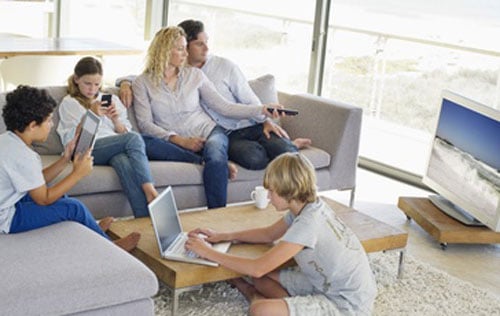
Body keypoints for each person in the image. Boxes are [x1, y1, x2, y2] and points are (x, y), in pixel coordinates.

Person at [185, 153, 377, 316]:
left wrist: (208, 252)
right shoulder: (308, 207)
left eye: (272, 191)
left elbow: (257, 268)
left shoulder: (309, 224)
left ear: (289, 191)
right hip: (324, 282)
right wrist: (223, 236)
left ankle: (249, 292)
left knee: (259, 309)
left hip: (346, 305)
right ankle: (293, 305)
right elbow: (268, 234)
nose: (268, 196)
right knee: (263, 279)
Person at [119, 19, 310, 170]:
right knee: (254, 159)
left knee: (285, 151)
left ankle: (290, 146)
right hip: (228, 133)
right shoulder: (178, 71)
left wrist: (266, 117)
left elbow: (237, 104)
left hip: (250, 125)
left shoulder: (222, 67)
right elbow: (149, 77)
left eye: (206, 43)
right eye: (198, 44)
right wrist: (125, 83)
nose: (206, 49)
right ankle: (283, 149)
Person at [132, 26, 279, 209]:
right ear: (163, 50)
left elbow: (224, 107)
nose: (186, 53)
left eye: (186, 47)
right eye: (180, 48)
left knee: (216, 155)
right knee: (141, 141)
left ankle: (216, 214)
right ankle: (200, 159)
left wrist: (262, 109)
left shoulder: (195, 75)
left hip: (209, 132)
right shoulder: (142, 83)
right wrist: (181, 141)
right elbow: (145, 124)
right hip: (173, 141)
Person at [0, 85, 140, 252]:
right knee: (72, 207)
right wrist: (77, 174)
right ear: (32, 125)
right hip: (7, 219)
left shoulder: (10, 141)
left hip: (10, 204)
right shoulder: (23, 155)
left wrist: (65, 158)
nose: (51, 125)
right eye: (49, 120)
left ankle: (93, 231)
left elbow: (37, 179)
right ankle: (110, 247)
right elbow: (43, 199)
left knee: (62, 198)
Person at [57, 56, 161, 218]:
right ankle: (149, 188)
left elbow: (124, 132)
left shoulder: (111, 99)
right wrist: (91, 115)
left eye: (97, 84)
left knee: (123, 162)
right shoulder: (69, 102)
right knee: (134, 138)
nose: (92, 89)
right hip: (87, 148)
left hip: (113, 146)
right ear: (77, 79)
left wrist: (116, 119)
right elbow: (73, 140)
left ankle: (143, 220)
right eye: (87, 84)